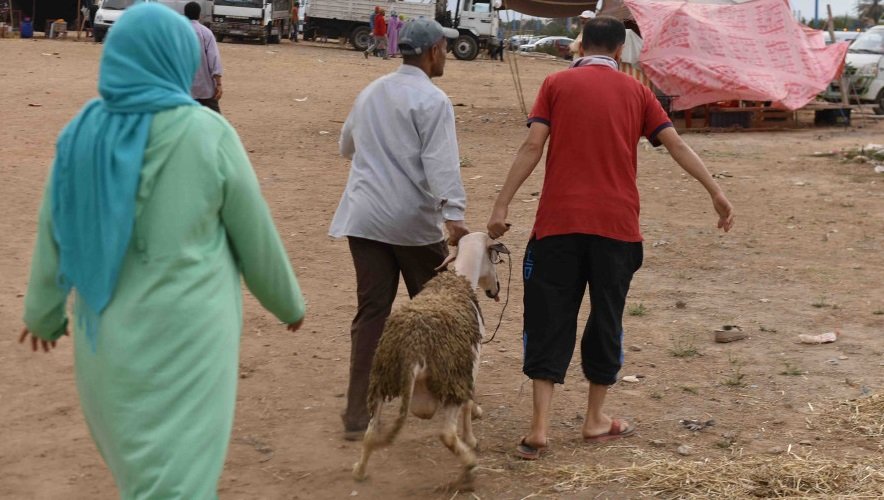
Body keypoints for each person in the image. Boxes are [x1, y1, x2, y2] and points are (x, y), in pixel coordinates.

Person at [19, 4, 306, 497]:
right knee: (181, 478)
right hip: (191, 343)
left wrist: (42, 314)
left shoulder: (81, 134)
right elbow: (254, 234)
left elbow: (54, 232)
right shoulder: (208, 133)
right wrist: (287, 302)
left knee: (144, 477)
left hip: (107, 342)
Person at [486, 16, 735, 460]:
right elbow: (676, 144)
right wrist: (715, 191)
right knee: (607, 318)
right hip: (617, 228)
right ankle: (595, 420)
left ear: (581, 46)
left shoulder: (556, 85)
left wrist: (501, 205)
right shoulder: (638, 92)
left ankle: (539, 428)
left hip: (558, 225)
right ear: (620, 52)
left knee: (548, 318)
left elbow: (531, 146)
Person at [331, 18, 467, 440]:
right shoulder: (433, 99)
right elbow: (440, 163)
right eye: (444, 48)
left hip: (365, 218)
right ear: (431, 52)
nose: (445, 55)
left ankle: (358, 414)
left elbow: (345, 146)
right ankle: (447, 400)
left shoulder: (372, 91)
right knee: (440, 313)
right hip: (411, 223)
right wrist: (455, 217)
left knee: (371, 313)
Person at [185, 2, 223, 113]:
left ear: (184, 14)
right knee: (216, 122)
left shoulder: (177, 32)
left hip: (184, 88)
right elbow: (214, 59)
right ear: (199, 15)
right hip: (204, 88)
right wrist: (219, 84)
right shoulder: (206, 32)